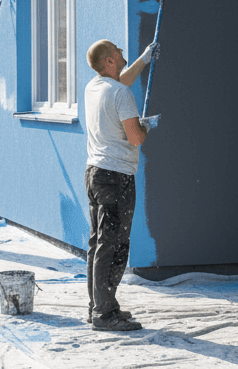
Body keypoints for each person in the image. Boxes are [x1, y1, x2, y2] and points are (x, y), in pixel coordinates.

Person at [83, 38, 157, 332]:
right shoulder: (122, 94)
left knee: (98, 243)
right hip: (116, 178)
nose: (122, 53)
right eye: (118, 51)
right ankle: (104, 314)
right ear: (109, 61)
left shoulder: (95, 87)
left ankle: (100, 305)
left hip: (95, 173)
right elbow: (136, 138)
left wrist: (144, 59)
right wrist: (146, 126)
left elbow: (119, 83)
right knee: (113, 246)